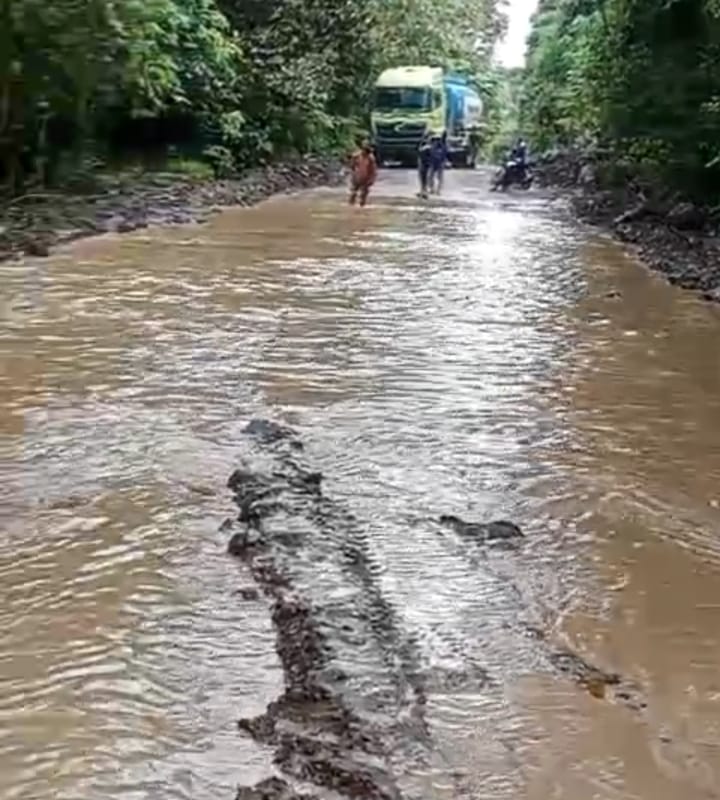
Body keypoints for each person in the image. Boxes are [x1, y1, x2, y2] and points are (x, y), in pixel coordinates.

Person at [348, 139, 378, 206]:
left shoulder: (371, 158)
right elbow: (352, 166)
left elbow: (373, 170)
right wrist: (353, 174)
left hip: (366, 178)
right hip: (357, 177)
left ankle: (361, 205)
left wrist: (372, 179)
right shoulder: (357, 156)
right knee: (353, 192)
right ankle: (351, 205)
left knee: (363, 194)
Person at [417, 134, 433, 198]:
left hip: (425, 165)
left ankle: (425, 192)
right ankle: (423, 192)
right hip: (424, 164)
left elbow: (423, 156)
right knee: (423, 179)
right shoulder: (427, 147)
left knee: (424, 179)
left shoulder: (427, 148)